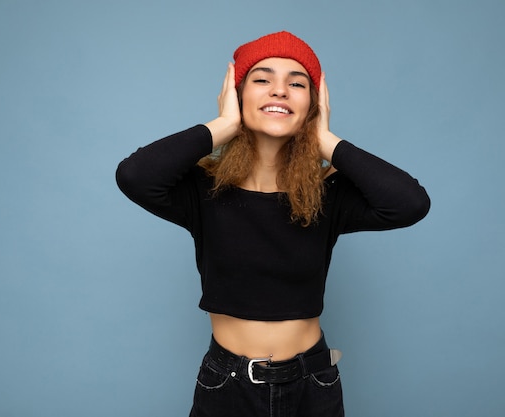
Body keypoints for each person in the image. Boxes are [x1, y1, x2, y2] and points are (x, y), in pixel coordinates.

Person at [116, 31, 430, 417]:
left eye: (297, 84)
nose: (279, 91)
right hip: (227, 385)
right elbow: (134, 176)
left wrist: (326, 138)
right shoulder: (204, 189)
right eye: (262, 79)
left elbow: (410, 203)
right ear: (237, 93)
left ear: (313, 103)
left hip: (313, 385)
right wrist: (224, 123)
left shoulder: (328, 193)